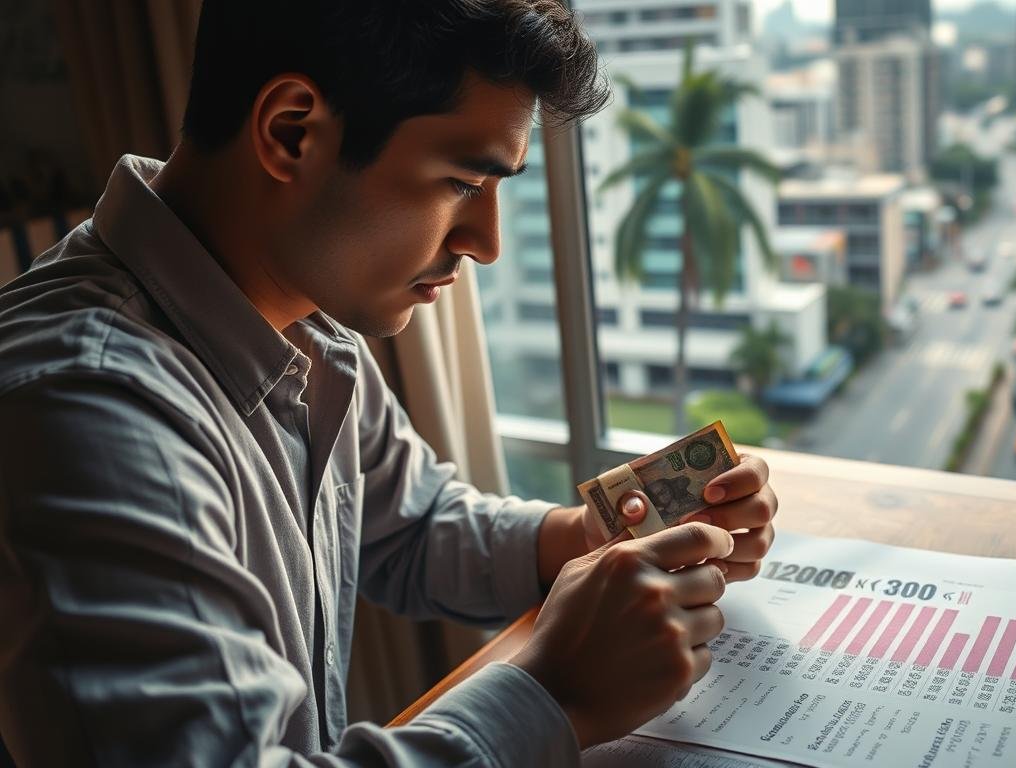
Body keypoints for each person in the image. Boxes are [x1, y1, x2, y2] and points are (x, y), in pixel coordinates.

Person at [0, 1, 779, 765]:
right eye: (462, 184)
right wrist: (555, 693)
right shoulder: (88, 411)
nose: (488, 243)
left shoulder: (300, 319)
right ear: (291, 132)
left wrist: (587, 539)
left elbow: (412, 523)